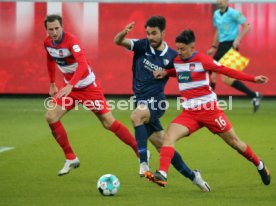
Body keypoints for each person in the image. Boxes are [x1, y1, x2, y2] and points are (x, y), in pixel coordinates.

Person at [145, 29, 270, 188]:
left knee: (236, 144)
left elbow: (226, 70)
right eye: (178, 48)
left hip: (210, 111)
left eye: (183, 49)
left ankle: (259, 164)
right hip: (189, 113)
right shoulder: (177, 60)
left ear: (192, 47)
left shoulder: (204, 60)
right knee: (168, 137)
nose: (179, 52)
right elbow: (181, 73)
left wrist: (253, 79)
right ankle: (162, 173)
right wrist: (166, 73)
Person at [114, 16, 210, 191]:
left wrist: (168, 72)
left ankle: (143, 161)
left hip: (157, 102)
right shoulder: (142, 45)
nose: (151, 37)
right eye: (148, 33)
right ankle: (193, 176)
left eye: (154, 33)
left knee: (136, 116)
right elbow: (117, 41)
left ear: (163, 33)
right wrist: (124, 33)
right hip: (140, 101)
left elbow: (185, 74)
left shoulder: (173, 56)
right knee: (163, 146)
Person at [44, 14, 139, 176]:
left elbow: (82, 65)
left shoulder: (71, 41)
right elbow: (50, 59)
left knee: (108, 123)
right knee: (51, 116)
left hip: (88, 88)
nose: (54, 32)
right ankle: (70, 157)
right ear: (46, 30)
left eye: (57, 28)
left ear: (62, 27)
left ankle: (140, 153)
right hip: (71, 89)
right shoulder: (47, 43)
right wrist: (52, 83)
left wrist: (70, 85)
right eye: (50, 29)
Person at [207, 0, 261, 112]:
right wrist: (213, 46)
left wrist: (238, 39)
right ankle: (254, 95)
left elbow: (247, 26)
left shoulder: (234, 13)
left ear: (227, 1)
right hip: (222, 46)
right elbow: (218, 31)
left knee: (215, 74)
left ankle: (209, 104)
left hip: (231, 46)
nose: (220, 1)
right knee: (225, 79)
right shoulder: (216, 14)